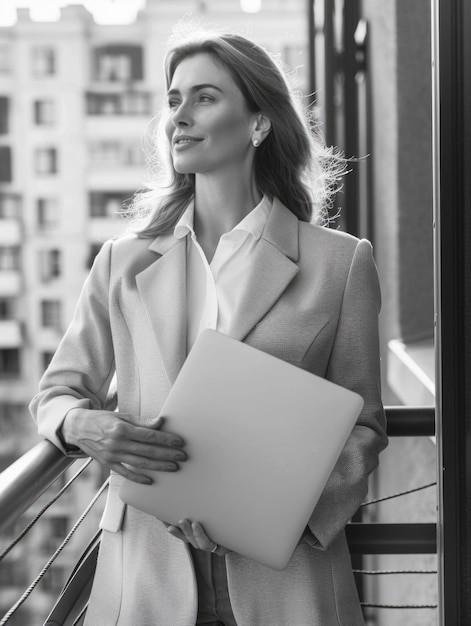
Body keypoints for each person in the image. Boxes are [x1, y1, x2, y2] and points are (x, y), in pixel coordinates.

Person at [30, 24, 388, 626]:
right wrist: (82, 425)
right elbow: (56, 391)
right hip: (145, 565)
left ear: (258, 123)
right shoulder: (124, 261)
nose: (179, 117)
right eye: (173, 100)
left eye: (204, 97)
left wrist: (274, 516)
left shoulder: (339, 263)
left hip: (283, 572)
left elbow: (363, 427)